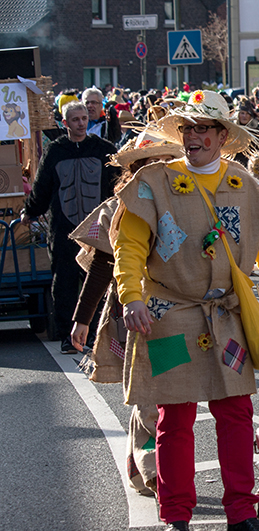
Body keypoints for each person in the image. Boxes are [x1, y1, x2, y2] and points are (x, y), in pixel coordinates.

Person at [112, 90, 259, 531]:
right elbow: (128, 249)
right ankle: (176, 516)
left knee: (235, 413)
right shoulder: (152, 184)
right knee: (174, 417)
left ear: (222, 136)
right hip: (170, 314)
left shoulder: (245, 186)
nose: (193, 137)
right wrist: (132, 298)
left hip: (225, 316)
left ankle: (242, 515)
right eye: (187, 129)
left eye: (202, 129)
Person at [68, 130, 184, 496]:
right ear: (133, 171)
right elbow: (103, 266)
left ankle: (140, 467)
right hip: (135, 318)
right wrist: (82, 318)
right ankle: (153, 471)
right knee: (151, 396)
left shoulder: (186, 203)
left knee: (169, 395)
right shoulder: (116, 210)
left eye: (163, 164)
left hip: (180, 315)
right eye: (148, 165)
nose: (157, 170)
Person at [21, 101, 118, 354]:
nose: (81, 123)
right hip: (63, 230)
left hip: (97, 230)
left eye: (84, 118)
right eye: (75, 119)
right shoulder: (55, 151)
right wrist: (30, 211)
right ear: (65, 123)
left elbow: (117, 186)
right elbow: (42, 187)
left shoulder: (103, 149)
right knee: (63, 283)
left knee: (96, 282)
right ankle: (67, 335)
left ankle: (96, 335)